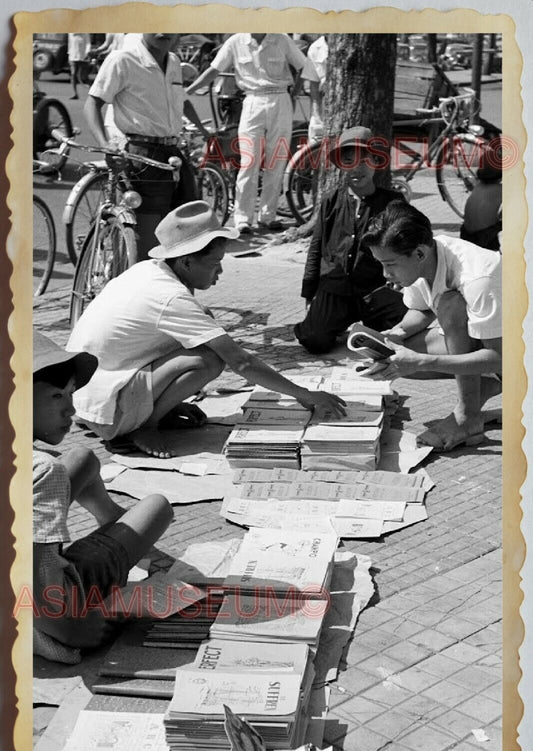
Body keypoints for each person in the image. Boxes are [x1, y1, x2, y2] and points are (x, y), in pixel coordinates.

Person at [67, 201, 346, 459]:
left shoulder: (148, 271)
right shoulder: (170, 297)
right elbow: (241, 361)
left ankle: (152, 412)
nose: (220, 272)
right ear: (186, 261)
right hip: (107, 410)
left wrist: (171, 403)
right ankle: (144, 427)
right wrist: (305, 395)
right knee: (209, 359)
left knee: (204, 325)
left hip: (87, 397)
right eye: (214, 264)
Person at [32, 331, 173, 663]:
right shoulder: (42, 470)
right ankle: (114, 538)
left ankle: (109, 520)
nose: (71, 409)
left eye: (70, 394)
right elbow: (24, 575)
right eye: (57, 396)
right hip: (50, 614)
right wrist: (71, 630)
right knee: (157, 507)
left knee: (83, 457)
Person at [360, 200, 502, 452]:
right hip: (498, 346)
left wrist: (423, 361)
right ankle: (487, 386)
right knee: (397, 354)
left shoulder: (478, 278)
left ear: (419, 254)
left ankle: (467, 417)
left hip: (515, 355)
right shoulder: (427, 256)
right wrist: (398, 333)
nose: (385, 274)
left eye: (390, 264)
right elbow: (422, 308)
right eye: (381, 264)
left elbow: (498, 358)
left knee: (450, 306)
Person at [84, 33, 211, 259]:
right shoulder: (122, 60)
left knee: (189, 235)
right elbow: (93, 103)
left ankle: (173, 287)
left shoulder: (172, 62)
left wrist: (203, 131)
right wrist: (106, 146)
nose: (163, 31)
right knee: (149, 241)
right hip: (142, 153)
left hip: (173, 154)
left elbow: (181, 101)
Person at [186, 33, 322, 234]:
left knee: (277, 159)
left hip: (280, 98)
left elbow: (304, 66)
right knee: (249, 161)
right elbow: (215, 69)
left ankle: (268, 215)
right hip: (252, 99)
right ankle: (243, 218)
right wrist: (189, 89)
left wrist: (294, 93)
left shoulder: (281, 39)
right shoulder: (236, 42)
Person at [293, 127, 407, 355]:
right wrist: (309, 294)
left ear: (376, 162)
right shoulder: (331, 201)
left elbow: (407, 247)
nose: (357, 168)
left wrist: (403, 282)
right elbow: (316, 248)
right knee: (314, 340)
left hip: (375, 289)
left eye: (364, 161)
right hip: (335, 288)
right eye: (348, 161)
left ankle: (365, 325)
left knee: (404, 333)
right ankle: (335, 323)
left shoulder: (393, 203)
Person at [67, 33, 91, 100]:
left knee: (84, 76)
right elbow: (69, 44)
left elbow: (88, 43)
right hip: (73, 56)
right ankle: (74, 93)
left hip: (83, 56)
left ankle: (92, 92)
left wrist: (87, 52)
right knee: (73, 74)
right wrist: (69, 54)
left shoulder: (85, 33)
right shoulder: (71, 33)